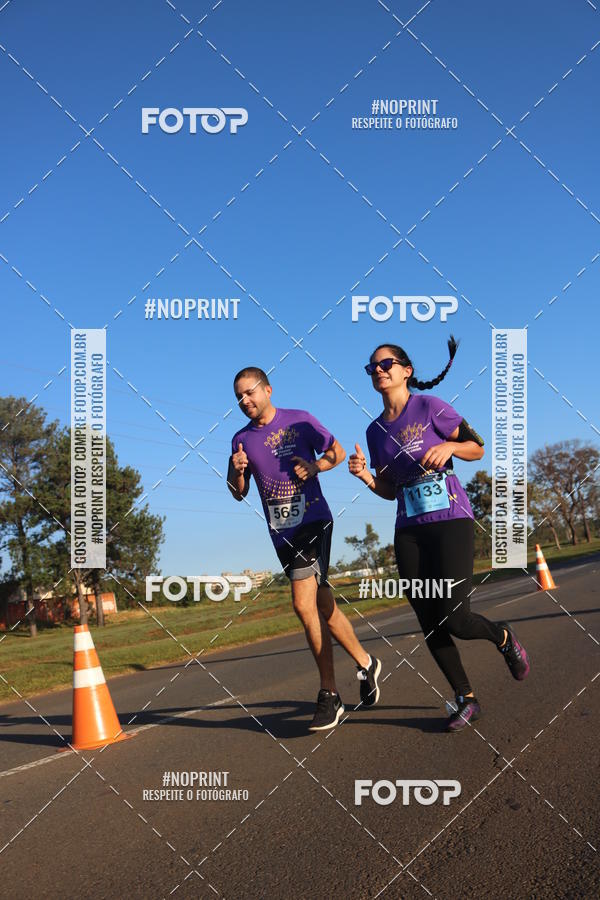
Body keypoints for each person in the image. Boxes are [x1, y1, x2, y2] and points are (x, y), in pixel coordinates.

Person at [348, 337, 530, 732]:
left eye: (387, 364)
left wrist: (449, 446)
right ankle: (466, 699)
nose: (379, 371)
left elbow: (477, 448)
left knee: (456, 617)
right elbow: (389, 488)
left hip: (450, 520)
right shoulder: (375, 431)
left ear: (406, 370)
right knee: (428, 618)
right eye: (372, 368)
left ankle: (503, 637)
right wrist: (365, 475)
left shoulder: (430, 406)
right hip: (409, 530)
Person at [227, 366, 382, 731]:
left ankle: (329, 694)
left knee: (301, 602)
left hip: (313, 522)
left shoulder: (299, 421)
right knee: (322, 605)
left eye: (249, 393)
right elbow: (238, 493)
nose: (244, 401)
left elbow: (338, 453)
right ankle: (366, 663)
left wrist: (314, 466)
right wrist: (237, 471)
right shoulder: (240, 440)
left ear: (267, 389)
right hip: (280, 532)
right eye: (238, 397)